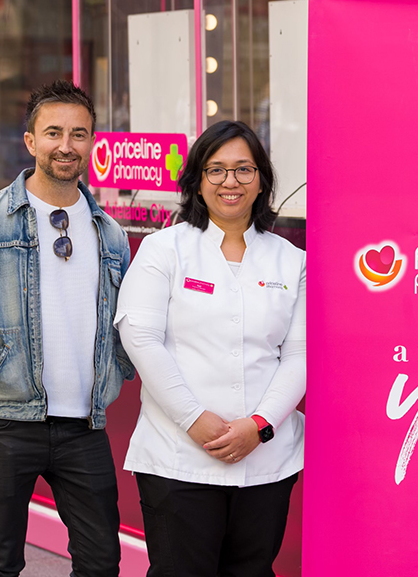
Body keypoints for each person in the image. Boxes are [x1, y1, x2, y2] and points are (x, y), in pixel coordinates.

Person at [0, 79, 133, 577]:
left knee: (101, 561)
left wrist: (118, 367)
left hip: (84, 426)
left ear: (92, 142)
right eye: (53, 133)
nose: (66, 145)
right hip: (3, 422)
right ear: (30, 141)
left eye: (78, 134)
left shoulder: (110, 234)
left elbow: (125, 321)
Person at [115, 120, 305, 577]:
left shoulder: (291, 260)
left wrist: (259, 426)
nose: (230, 182)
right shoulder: (164, 249)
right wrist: (194, 419)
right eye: (216, 170)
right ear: (197, 181)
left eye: (244, 169)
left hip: (265, 461)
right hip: (178, 457)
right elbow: (140, 337)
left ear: (261, 180)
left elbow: (299, 354)